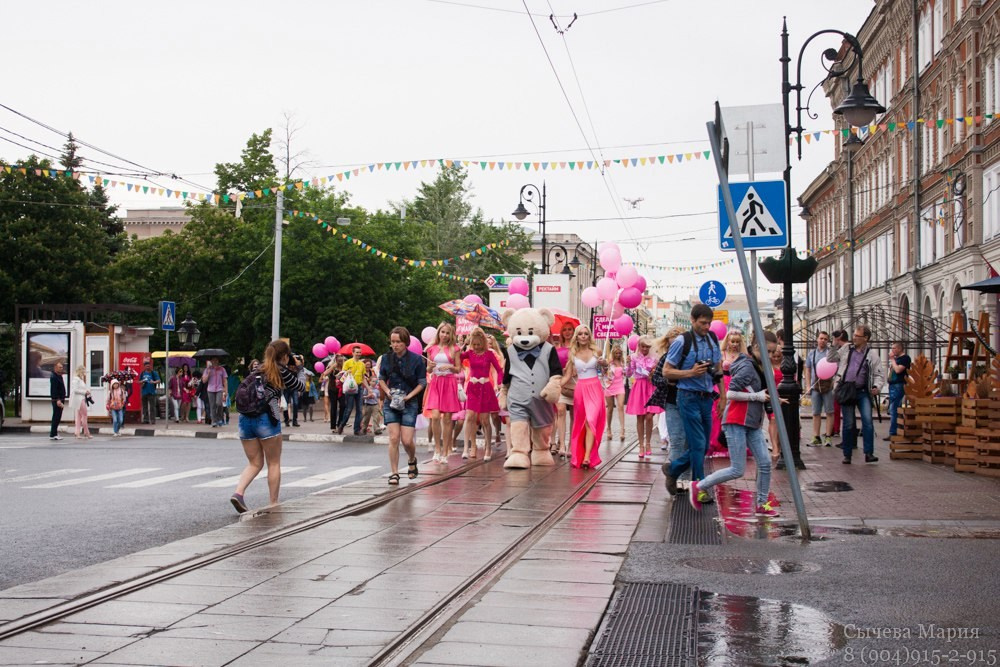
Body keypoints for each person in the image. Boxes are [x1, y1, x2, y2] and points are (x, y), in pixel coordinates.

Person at [690, 331, 779, 516]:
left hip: (751, 422)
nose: (770, 356)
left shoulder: (759, 365)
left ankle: (762, 504)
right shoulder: (748, 366)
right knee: (737, 469)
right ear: (756, 347)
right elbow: (730, 393)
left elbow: (758, 391)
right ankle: (699, 485)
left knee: (764, 463)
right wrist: (758, 396)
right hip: (736, 420)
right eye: (768, 351)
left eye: (772, 352)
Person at [230, 339, 304, 514]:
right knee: (273, 463)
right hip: (267, 419)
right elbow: (300, 386)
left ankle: (238, 493)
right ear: (285, 356)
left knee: (254, 463)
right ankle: (273, 502)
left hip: (245, 419)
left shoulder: (258, 369)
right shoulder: (281, 371)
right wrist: (300, 369)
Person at [662, 304, 723, 500]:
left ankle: (673, 469)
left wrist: (722, 396)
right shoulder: (682, 341)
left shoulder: (713, 339)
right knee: (697, 444)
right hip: (687, 396)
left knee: (704, 446)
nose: (706, 327)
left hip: (706, 397)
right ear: (693, 320)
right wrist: (690, 372)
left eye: (709, 323)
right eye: (703, 323)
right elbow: (666, 371)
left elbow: (719, 369)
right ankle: (700, 489)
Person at [828, 325, 885, 464]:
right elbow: (831, 359)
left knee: (868, 421)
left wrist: (877, 386)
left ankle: (869, 453)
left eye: (857, 336)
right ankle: (847, 454)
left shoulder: (872, 354)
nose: (854, 338)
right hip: (847, 390)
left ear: (865, 338)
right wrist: (834, 343)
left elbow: (879, 374)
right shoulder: (847, 349)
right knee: (848, 424)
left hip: (863, 391)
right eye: (853, 335)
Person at [379, 326, 427, 485]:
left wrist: (409, 397)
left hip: (409, 401)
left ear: (405, 342)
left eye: (398, 342)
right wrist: (387, 392)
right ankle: (394, 473)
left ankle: (412, 459)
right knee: (393, 437)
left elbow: (422, 382)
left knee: (407, 440)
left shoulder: (417, 359)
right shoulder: (386, 358)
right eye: (392, 342)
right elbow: (381, 378)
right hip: (391, 401)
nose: (395, 345)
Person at [562, 325, 607, 469]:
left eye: (585, 334)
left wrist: (604, 365)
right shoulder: (572, 353)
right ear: (577, 336)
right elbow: (568, 375)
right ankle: (581, 454)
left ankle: (587, 456)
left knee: (591, 420)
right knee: (581, 422)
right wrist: (556, 385)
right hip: (580, 389)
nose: (582, 336)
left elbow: (605, 372)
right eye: (580, 334)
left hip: (595, 387)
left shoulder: (597, 351)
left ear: (589, 336)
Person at [649, 327, 688, 486]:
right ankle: (676, 478)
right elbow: (655, 379)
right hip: (672, 403)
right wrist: (668, 381)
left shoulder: (690, 358)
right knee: (677, 440)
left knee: (689, 442)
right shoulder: (666, 358)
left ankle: (684, 476)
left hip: (690, 403)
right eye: (672, 346)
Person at [461, 327, 504, 461]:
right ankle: (466, 448)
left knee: (485, 420)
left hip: (485, 387)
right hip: (472, 387)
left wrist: (500, 383)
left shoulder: (489, 354)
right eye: (474, 344)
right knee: (469, 416)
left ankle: (488, 447)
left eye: (479, 344)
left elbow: (499, 369)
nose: (477, 347)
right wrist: (464, 345)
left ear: (483, 343)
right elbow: (457, 356)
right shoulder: (470, 353)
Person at [425, 323, 462, 464]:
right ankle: (437, 449)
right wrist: (430, 367)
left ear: (450, 334)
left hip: (449, 382)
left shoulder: (455, 349)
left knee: (447, 418)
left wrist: (451, 367)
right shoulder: (431, 349)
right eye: (442, 332)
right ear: (438, 333)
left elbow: (458, 369)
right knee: (435, 416)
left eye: (447, 333)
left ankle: (445, 451)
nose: (445, 335)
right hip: (435, 383)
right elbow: (428, 370)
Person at [708, 330, 747, 458]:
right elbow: (716, 371)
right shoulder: (721, 354)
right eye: (732, 341)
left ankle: (734, 445)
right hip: (722, 385)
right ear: (728, 341)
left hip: (738, 385)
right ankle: (717, 444)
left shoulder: (744, 355)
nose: (735, 344)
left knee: (735, 415)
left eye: (737, 341)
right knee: (718, 414)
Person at [626, 336, 663, 459]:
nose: (645, 349)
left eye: (647, 347)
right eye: (643, 346)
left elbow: (659, 373)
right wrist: (628, 364)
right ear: (639, 346)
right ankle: (641, 445)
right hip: (639, 387)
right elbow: (628, 374)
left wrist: (653, 374)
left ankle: (648, 443)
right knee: (640, 416)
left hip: (650, 387)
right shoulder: (633, 357)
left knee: (649, 416)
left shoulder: (655, 358)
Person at [804, 331, 835, 447]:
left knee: (829, 412)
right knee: (816, 412)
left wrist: (834, 383)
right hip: (815, 386)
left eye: (825, 339)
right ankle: (816, 436)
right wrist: (807, 385)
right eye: (821, 338)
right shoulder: (812, 354)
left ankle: (828, 436)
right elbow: (807, 369)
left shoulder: (831, 353)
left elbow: (835, 369)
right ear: (817, 339)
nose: (823, 340)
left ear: (828, 341)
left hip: (828, 386)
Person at [551, 321, 575, 458]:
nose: (567, 332)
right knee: (560, 411)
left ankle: (571, 444)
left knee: (573, 415)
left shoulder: (577, 349)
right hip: (562, 381)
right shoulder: (557, 349)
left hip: (575, 382)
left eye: (570, 329)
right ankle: (561, 444)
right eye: (565, 330)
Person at [884, 342, 911, 440]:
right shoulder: (896, 359)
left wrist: (892, 360)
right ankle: (900, 429)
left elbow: (898, 370)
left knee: (894, 408)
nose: (892, 350)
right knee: (895, 408)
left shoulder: (905, 358)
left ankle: (893, 432)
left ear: (900, 349)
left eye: (894, 348)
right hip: (893, 385)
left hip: (899, 385)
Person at [339, 346, 367, 435]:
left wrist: (369, 388)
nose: (358, 354)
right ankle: (342, 425)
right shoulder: (347, 362)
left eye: (360, 352)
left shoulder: (362, 364)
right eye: (357, 352)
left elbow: (363, 378)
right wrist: (347, 372)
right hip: (350, 387)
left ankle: (356, 429)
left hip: (359, 387)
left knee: (359, 409)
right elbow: (342, 374)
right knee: (349, 408)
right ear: (353, 353)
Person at [604, 345, 626, 444]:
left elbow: (627, 373)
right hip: (609, 386)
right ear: (613, 353)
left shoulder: (622, 363)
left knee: (621, 406)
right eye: (616, 353)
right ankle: (608, 428)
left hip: (620, 386)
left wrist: (628, 365)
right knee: (610, 408)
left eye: (619, 353)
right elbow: (604, 373)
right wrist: (605, 366)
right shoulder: (609, 363)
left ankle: (622, 430)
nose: (618, 355)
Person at [201, 357, 228, 428]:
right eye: (213, 360)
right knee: (212, 406)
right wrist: (208, 374)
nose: (215, 361)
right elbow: (204, 381)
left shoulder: (222, 369)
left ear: (218, 361)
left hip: (219, 389)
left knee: (219, 403)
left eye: (216, 360)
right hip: (210, 389)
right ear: (211, 361)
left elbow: (225, 380)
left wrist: (226, 390)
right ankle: (214, 421)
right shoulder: (207, 370)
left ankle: (219, 418)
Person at [361, 358, 382, 434]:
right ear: (369, 382)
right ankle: (363, 429)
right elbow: (363, 397)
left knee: (376, 418)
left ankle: (376, 429)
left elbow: (379, 397)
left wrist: (379, 406)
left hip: (375, 405)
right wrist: (368, 396)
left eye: (375, 382)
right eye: (373, 381)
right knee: (366, 418)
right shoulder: (367, 388)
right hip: (368, 405)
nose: (374, 383)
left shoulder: (377, 389)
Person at [71, 364, 92, 439]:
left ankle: (77, 433)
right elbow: (75, 390)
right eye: (83, 371)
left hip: (80, 398)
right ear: (80, 371)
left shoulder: (79, 379)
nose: (84, 373)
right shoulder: (76, 379)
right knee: (84, 415)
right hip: (79, 399)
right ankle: (86, 432)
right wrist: (85, 392)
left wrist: (86, 391)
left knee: (78, 417)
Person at [48, 360, 67, 440]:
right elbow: (54, 390)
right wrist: (57, 400)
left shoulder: (59, 376)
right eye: (59, 367)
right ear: (55, 368)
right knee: (56, 416)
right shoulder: (54, 377)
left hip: (61, 399)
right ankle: (53, 434)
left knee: (58, 417)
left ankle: (54, 433)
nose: (61, 368)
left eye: (62, 367)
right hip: (57, 400)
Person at [139, 360, 160, 425]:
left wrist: (153, 382)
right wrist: (142, 381)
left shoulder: (153, 373)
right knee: (144, 407)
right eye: (146, 366)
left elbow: (158, 380)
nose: (148, 367)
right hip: (144, 392)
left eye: (149, 366)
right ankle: (146, 419)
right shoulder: (142, 373)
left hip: (152, 392)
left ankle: (152, 420)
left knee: (152, 407)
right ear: (144, 366)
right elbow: (139, 382)